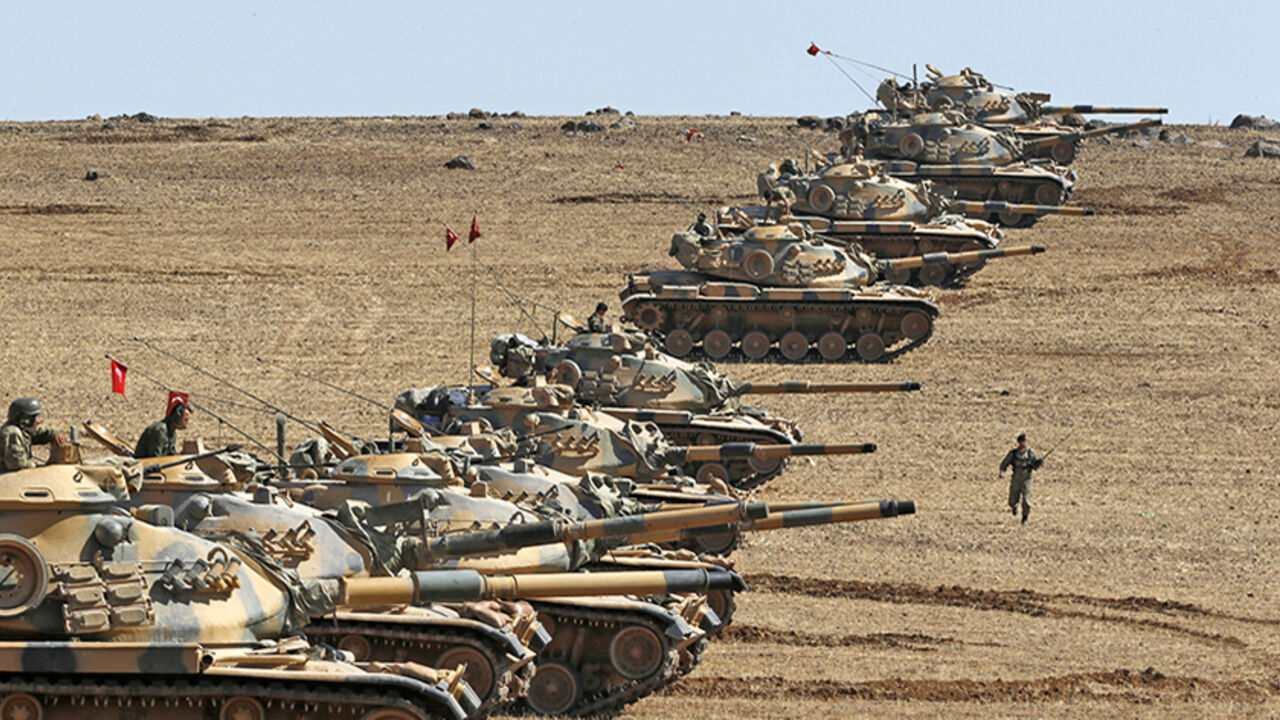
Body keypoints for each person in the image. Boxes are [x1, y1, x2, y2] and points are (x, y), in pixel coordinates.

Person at [1, 397, 68, 472]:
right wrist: (39, 467)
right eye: (35, 417)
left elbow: (40, 433)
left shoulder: (22, 429)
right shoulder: (12, 433)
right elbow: (16, 464)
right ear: (25, 420)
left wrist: (55, 434)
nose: (38, 421)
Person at [999, 433, 1042, 525]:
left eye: (1025, 441)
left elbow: (1034, 466)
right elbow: (1005, 463)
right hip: (1016, 479)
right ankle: (1014, 506)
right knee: (1012, 499)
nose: (1023, 443)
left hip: (1026, 479)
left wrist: (1038, 463)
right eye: (1022, 441)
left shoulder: (1030, 453)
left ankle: (1025, 517)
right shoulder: (1013, 453)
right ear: (1018, 443)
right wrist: (1002, 471)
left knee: (1027, 500)